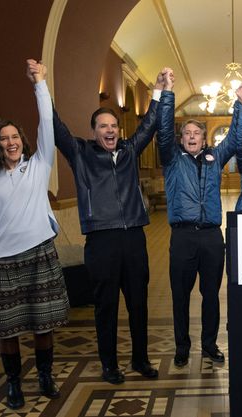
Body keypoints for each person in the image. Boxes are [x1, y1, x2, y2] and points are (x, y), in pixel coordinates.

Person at [52, 67, 173, 383]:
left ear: (119, 130)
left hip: (133, 237)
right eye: (103, 126)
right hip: (101, 241)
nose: (109, 130)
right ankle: (110, 365)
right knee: (106, 307)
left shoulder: (130, 150)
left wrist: (159, 89)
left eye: (114, 126)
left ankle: (140, 360)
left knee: (138, 305)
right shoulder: (80, 153)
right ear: (93, 131)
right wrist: (40, 85)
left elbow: (150, 123)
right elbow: (56, 127)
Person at [0, 60, 69, 409]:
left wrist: (39, 84)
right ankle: (14, 383)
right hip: (2, 261)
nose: (11, 142)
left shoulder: (39, 165)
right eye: (4, 139)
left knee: (43, 324)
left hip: (40, 253)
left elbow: (47, 123)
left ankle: (45, 377)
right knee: (8, 331)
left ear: (22, 141)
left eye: (15, 136)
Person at [157, 82, 242, 367]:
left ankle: (209, 345)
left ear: (203, 138)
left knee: (211, 294)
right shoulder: (172, 159)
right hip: (183, 237)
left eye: (196, 133)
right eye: (186, 133)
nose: (191, 136)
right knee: (180, 296)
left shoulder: (215, 158)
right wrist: (168, 94)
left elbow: (235, 138)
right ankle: (182, 346)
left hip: (212, 237)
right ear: (181, 138)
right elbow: (162, 132)